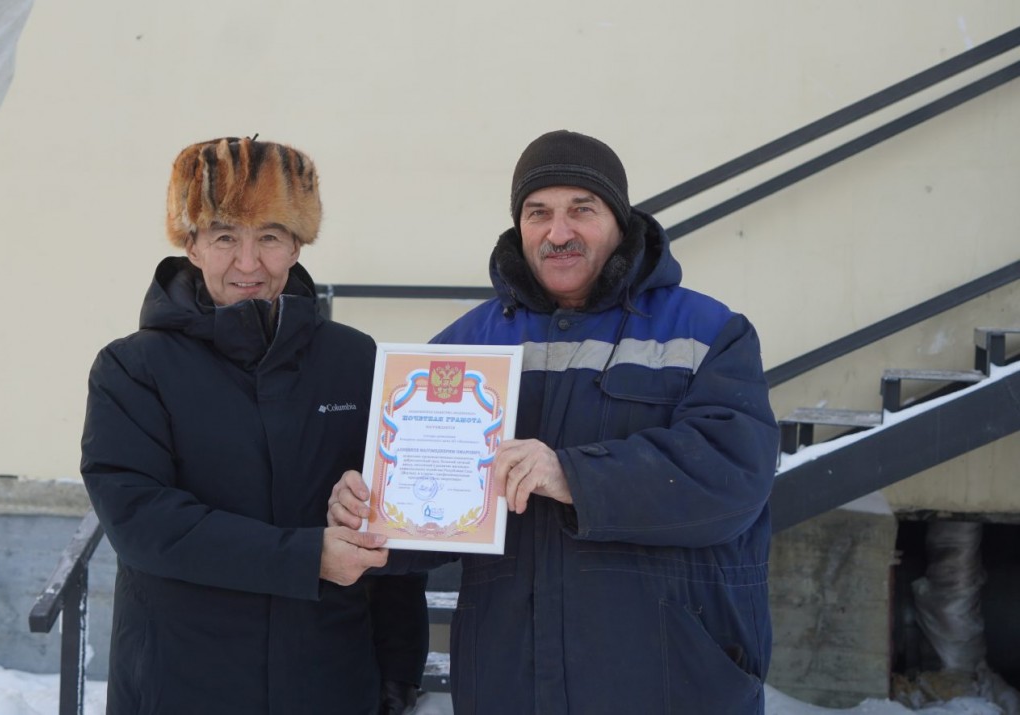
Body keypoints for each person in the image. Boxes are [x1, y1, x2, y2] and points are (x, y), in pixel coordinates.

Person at [329, 130, 780, 714]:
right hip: (511, 683)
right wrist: (372, 513)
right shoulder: (468, 345)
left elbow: (730, 476)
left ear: (619, 220)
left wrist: (573, 475)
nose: (558, 232)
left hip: (669, 683)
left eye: (581, 210)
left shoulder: (708, 333)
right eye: (538, 212)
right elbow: (431, 517)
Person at [81, 137, 428, 714]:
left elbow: (387, 521)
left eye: (269, 236)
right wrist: (306, 557)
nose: (248, 263)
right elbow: (143, 520)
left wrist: (398, 669)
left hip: (329, 683)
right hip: (182, 684)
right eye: (224, 237)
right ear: (191, 245)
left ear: (297, 246)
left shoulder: (355, 360)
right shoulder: (133, 368)